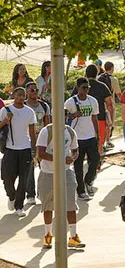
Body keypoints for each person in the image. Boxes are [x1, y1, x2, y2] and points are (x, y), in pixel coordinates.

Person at [36, 122, 85, 250]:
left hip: (66, 172)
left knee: (71, 204)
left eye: (65, 115)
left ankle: (73, 236)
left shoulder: (70, 132)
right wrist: (60, 160)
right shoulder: (47, 131)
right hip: (47, 173)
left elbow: (75, 151)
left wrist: (72, 158)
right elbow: (40, 153)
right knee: (47, 206)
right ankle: (48, 235)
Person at [0, 87, 37, 217]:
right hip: (10, 149)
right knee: (6, 176)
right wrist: (6, 120)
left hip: (25, 149)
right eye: (18, 95)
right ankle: (11, 196)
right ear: (14, 96)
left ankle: (19, 207)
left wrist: (35, 149)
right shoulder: (6, 110)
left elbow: (32, 132)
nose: (21, 97)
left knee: (24, 179)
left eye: (23, 95)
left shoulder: (29, 112)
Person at [65, 77, 100, 200]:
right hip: (77, 138)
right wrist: (73, 115)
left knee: (95, 161)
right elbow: (61, 116)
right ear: (78, 88)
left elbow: (94, 118)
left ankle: (88, 180)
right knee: (78, 165)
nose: (86, 90)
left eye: (87, 88)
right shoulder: (71, 102)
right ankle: (80, 190)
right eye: (83, 88)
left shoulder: (93, 101)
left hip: (90, 136)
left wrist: (98, 135)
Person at [24, 81, 51, 206]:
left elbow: (48, 124)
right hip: (27, 140)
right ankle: (30, 194)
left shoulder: (44, 106)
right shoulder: (23, 106)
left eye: (36, 90)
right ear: (27, 92)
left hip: (42, 140)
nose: (35, 92)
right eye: (32, 90)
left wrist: (49, 140)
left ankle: (42, 191)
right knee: (29, 167)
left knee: (44, 166)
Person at [79, 64, 113, 157]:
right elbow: (109, 103)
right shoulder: (102, 86)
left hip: (84, 118)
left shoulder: (80, 86)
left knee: (84, 140)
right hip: (100, 118)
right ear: (97, 73)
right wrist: (111, 118)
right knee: (99, 142)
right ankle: (97, 161)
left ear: (86, 73)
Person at [99, 61, 122, 149]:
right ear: (112, 68)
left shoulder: (99, 77)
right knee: (109, 123)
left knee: (102, 123)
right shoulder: (114, 79)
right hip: (110, 103)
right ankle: (107, 141)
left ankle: (102, 141)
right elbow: (119, 94)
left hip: (101, 104)